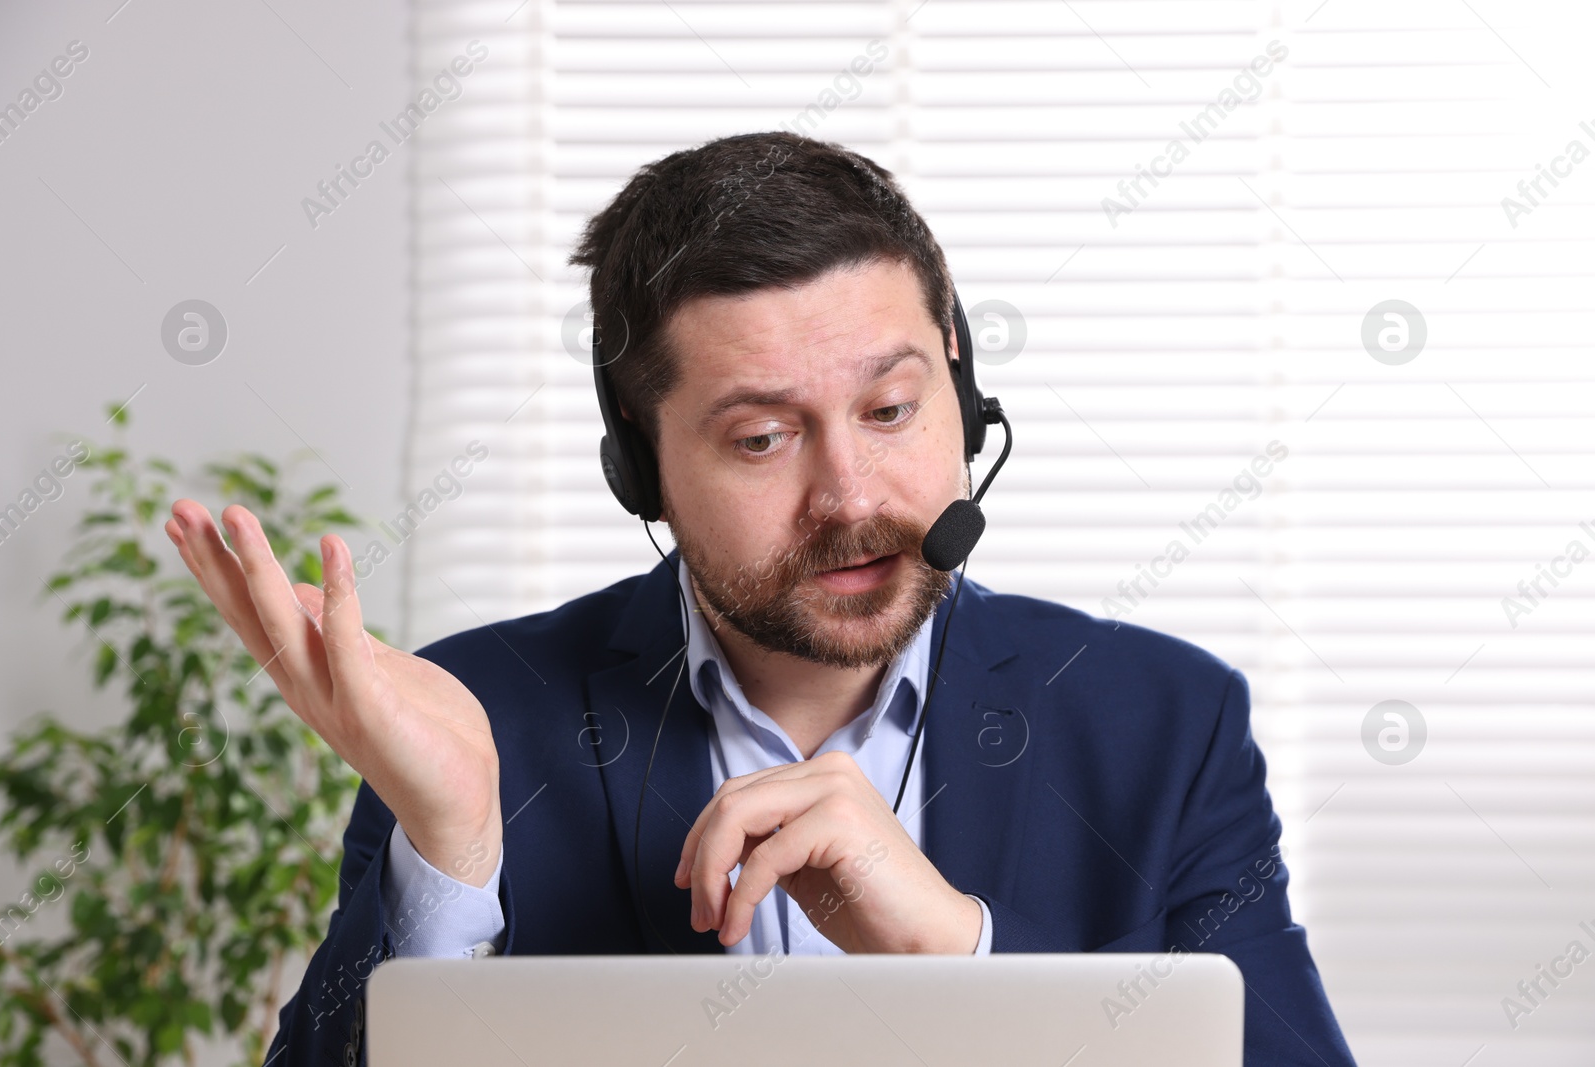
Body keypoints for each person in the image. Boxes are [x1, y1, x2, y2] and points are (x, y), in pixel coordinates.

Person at [164, 131, 1356, 1066]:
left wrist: (953, 949)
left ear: (962, 386)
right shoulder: (479, 717)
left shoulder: (1162, 720)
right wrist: (452, 858)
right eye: (762, 437)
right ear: (641, 461)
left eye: (891, 412)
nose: (849, 495)